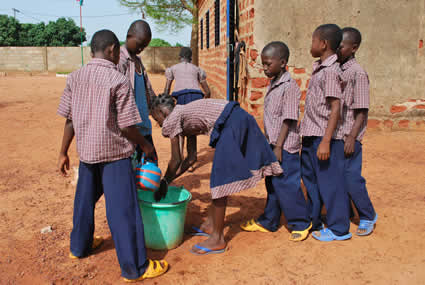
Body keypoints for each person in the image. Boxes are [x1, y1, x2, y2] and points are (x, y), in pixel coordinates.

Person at [57, 29, 168, 282]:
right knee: (123, 210)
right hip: (114, 154)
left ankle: (79, 248)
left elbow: (70, 120)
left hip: (87, 153)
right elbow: (127, 126)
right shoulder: (118, 79)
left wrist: (63, 152)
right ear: (111, 50)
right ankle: (135, 268)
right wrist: (146, 146)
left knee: (84, 202)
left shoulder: (75, 77)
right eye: (117, 50)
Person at [150, 96, 283, 255]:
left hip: (231, 122)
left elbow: (176, 159)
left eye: (155, 118)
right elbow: (191, 157)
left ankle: (218, 238)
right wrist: (169, 180)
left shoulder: (172, 118)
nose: (158, 124)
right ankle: (211, 224)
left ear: (162, 112)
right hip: (238, 118)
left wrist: (164, 181)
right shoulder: (184, 114)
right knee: (218, 176)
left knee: (219, 180)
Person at [240, 41, 311, 241]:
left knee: (287, 184)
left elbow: (289, 118)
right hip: (273, 144)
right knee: (272, 183)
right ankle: (269, 221)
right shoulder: (274, 83)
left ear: (282, 62)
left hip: (285, 147)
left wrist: (279, 146)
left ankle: (301, 223)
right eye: (263, 64)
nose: (264, 68)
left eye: (268, 64)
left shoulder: (290, 87)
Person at [300, 24, 352, 242]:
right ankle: (315, 219)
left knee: (331, 183)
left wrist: (326, 141)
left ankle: (340, 228)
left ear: (323, 44)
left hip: (324, 138)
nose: (311, 45)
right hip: (312, 135)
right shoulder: (319, 68)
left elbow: (335, 107)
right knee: (310, 180)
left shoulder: (330, 72)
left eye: (313, 40)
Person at [337, 27, 377, 236]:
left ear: (354, 48)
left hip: (350, 136)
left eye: (341, 46)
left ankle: (368, 215)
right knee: (339, 177)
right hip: (338, 135)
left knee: (352, 178)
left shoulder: (358, 73)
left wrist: (352, 137)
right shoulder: (338, 70)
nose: (337, 49)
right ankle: (347, 211)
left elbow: (361, 110)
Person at [163, 47, 211, 171]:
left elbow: (167, 90)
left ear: (179, 58)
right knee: (191, 130)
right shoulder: (197, 69)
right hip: (196, 97)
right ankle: (191, 159)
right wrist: (202, 104)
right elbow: (208, 91)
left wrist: (166, 104)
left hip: (180, 98)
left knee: (179, 129)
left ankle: (178, 159)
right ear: (191, 59)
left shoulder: (173, 69)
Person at [118, 20, 158, 166]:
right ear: (129, 36)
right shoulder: (120, 61)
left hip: (144, 127)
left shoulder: (138, 62)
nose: (141, 48)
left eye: (145, 46)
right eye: (140, 43)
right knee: (134, 174)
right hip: (130, 132)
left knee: (151, 171)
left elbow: (148, 90)